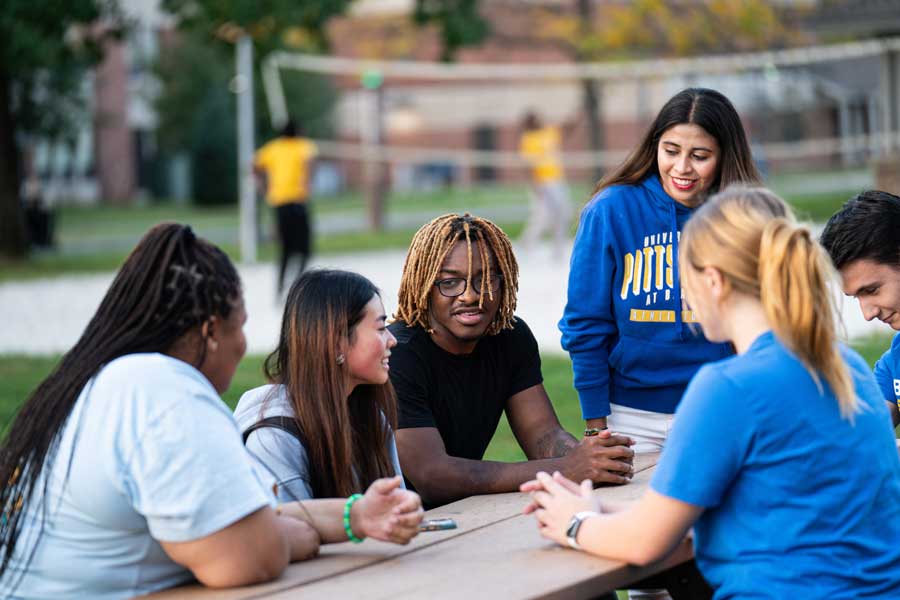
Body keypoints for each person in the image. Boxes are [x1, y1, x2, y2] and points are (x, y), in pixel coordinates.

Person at [524, 187, 900, 599]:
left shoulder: (729, 389)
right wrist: (595, 513)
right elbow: (727, 514)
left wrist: (573, 524)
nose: (681, 296)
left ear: (714, 281)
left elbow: (645, 542)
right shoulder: (846, 367)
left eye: (683, 280)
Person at [0, 224, 319, 598]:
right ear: (211, 331)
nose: (244, 343)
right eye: (242, 326)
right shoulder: (163, 392)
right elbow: (250, 558)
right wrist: (289, 536)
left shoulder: (97, 380)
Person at [559, 87, 762, 453]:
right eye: (671, 151)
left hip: (719, 407)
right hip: (630, 416)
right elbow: (585, 324)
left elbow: (764, 324)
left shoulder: (743, 217)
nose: (681, 168)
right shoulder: (609, 210)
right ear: (654, 147)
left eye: (700, 156)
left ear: (724, 156)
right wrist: (595, 429)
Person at [388, 213, 635, 509]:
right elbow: (433, 478)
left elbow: (543, 435)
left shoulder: (510, 338)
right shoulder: (397, 354)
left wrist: (591, 459)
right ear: (425, 285)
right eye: (450, 282)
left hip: (455, 515)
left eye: (486, 279)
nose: (471, 296)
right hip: (379, 522)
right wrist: (567, 468)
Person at [234, 269, 424, 545]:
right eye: (381, 329)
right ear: (336, 342)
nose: (392, 340)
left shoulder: (371, 416)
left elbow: (395, 511)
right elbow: (287, 538)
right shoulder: (274, 435)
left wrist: (404, 515)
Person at [820, 189, 900, 428]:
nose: (868, 314)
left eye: (872, 290)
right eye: (856, 297)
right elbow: (862, 434)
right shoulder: (894, 362)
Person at [254, 118, 318, 296]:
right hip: (298, 201)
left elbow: (255, 164)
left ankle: (280, 288)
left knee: (285, 248)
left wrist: (262, 186)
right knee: (305, 248)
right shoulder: (302, 145)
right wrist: (308, 182)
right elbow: (311, 160)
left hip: (279, 203)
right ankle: (297, 284)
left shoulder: (273, 148)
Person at [518, 111, 573, 258]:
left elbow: (567, 128)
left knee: (563, 213)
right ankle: (526, 244)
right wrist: (536, 187)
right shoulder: (528, 140)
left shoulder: (548, 133)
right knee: (543, 217)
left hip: (557, 180)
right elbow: (529, 167)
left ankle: (558, 249)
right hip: (543, 183)